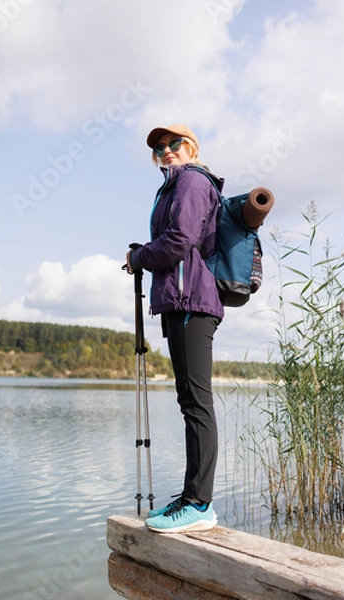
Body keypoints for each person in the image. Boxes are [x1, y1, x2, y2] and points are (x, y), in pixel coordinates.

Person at [125, 124, 225, 534]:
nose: (166, 151)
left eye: (174, 144)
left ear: (192, 147)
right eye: (160, 148)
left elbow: (180, 239)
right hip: (180, 303)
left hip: (192, 304)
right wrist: (144, 256)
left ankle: (200, 504)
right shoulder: (173, 186)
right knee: (189, 402)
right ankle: (190, 498)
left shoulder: (192, 181)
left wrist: (139, 258)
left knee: (197, 403)